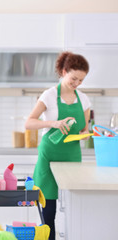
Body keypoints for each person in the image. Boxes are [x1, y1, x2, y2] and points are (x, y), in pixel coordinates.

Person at [25, 51, 91, 240]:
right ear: (64, 72)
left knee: (73, 208)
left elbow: (84, 130)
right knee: (48, 211)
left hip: (71, 157)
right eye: (73, 78)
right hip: (49, 157)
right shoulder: (50, 95)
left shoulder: (84, 100)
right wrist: (53, 123)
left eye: (81, 80)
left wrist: (84, 135)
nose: (77, 84)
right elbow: (29, 123)